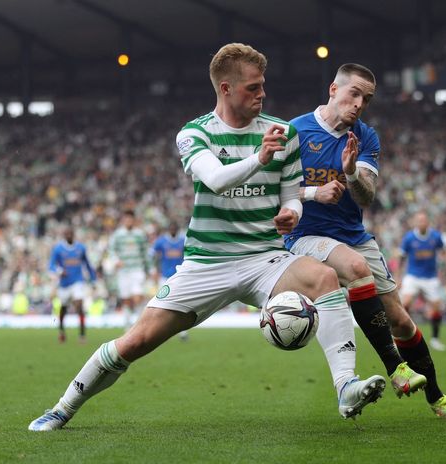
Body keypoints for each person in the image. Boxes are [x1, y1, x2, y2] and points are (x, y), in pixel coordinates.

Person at [29, 43, 385, 431]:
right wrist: (258, 159)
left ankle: (346, 386)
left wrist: (291, 212)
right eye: (252, 87)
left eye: (263, 85)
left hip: (263, 258)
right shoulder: (194, 133)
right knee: (136, 341)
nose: (261, 94)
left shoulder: (284, 133)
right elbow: (214, 179)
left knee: (326, 278)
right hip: (207, 262)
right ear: (226, 89)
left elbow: (290, 195)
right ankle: (63, 407)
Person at [284, 63, 446, 421]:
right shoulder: (296, 130)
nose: (359, 104)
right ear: (333, 90)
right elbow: (278, 189)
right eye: (354, 93)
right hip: (306, 236)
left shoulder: (365, 137)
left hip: (353, 235)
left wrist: (351, 170)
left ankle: (436, 397)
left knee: (400, 320)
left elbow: (366, 196)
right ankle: (395, 368)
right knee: (355, 268)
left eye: (366, 99)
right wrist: (313, 192)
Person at [397, 211, 446, 352]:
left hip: (430, 277)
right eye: (419, 220)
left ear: (428, 222)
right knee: (405, 304)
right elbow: (400, 257)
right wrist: (397, 276)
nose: (421, 223)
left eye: (424, 220)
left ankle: (435, 339)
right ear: (416, 223)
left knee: (437, 307)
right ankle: (403, 337)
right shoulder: (409, 238)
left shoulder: (435, 236)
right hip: (413, 276)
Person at [48, 227, 97, 343]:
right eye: (67, 233)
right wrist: (60, 271)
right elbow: (51, 265)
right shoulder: (58, 249)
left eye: (71, 233)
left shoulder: (81, 248)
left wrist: (93, 279)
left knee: (79, 305)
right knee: (63, 308)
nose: (69, 235)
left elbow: (87, 264)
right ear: (64, 235)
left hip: (78, 281)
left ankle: (82, 335)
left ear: (73, 234)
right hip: (64, 284)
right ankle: (61, 331)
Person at [108, 210, 149, 328]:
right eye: (126, 219)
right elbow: (111, 250)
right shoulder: (117, 235)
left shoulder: (140, 234)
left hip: (137, 269)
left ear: (134, 220)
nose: (128, 221)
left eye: (130, 219)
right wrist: (116, 260)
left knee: (137, 296)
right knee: (126, 299)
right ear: (123, 220)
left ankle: (139, 325)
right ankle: (127, 325)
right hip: (124, 271)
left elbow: (145, 252)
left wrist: (150, 269)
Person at [150, 221, 188, 340]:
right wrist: (154, 269)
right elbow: (151, 254)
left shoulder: (183, 241)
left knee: (182, 303)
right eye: (171, 228)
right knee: (162, 303)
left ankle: (183, 332)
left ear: (177, 229)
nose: (172, 230)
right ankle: (161, 329)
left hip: (179, 276)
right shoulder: (161, 241)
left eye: (174, 228)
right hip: (164, 276)